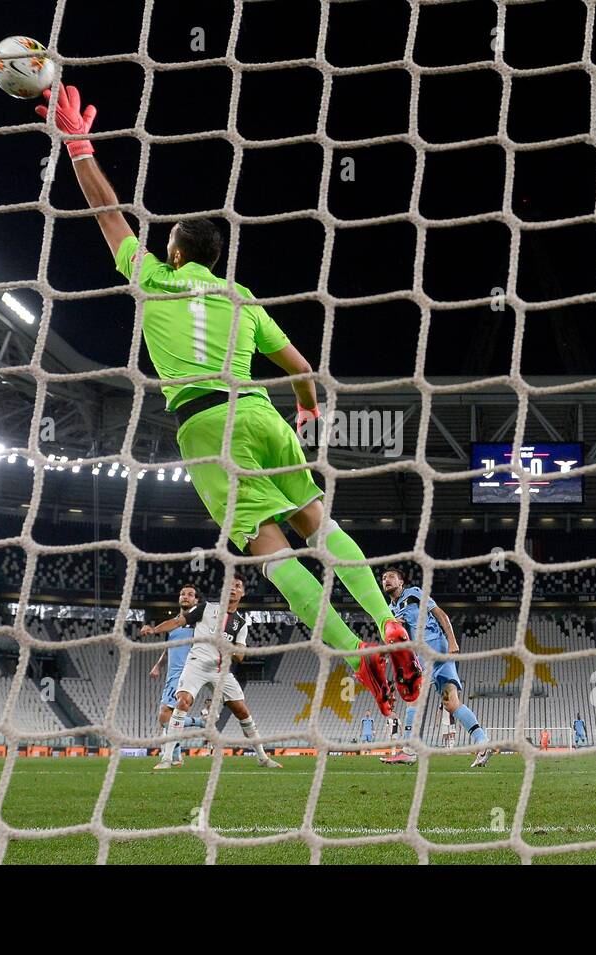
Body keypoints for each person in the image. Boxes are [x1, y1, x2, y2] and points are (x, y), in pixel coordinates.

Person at [38, 84, 420, 717]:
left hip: (206, 428)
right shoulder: (241, 297)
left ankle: (358, 654)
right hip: (263, 414)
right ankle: (386, 622)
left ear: (178, 251)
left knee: (271, 555)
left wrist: (78, 144)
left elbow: (108, 214)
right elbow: (301, 367)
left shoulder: (155, 276)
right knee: (319, 526)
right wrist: (304, 408)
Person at [142, 577, 279, 769]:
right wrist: (154, 629)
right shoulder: (205, 608)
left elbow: (240, 656)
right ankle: (167, 759)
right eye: (229, 585)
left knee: (242, 711)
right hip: (195, 666)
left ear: (242, 593)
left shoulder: (240, 624)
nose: (233, 588)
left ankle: (263, 758)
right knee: (182, 701)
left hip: (220, 671)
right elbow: (178, 621)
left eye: (237, 586)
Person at [379, 569, 492, 767]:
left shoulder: (413, 593)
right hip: (431, 656)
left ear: (401, 581)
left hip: (432, 650)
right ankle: (483, 743)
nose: (386, 580)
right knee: (452, 704)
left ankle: (409, 750)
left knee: (413, 699)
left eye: (391, 577)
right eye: (383, 578)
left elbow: (440, 614)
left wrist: (453, 641)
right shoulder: (391, 609)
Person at [146, 584, 207, 765]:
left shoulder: (198, 625)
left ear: (196, 600)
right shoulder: (173, 625)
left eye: (190, 594)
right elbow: (168, 649)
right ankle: (177, 755)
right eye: (182, 594)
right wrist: (158, 666)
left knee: (165, 716)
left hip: (185, 674)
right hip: (171, 675)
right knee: (169, 719)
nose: (185, 597)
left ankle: (197, 725)